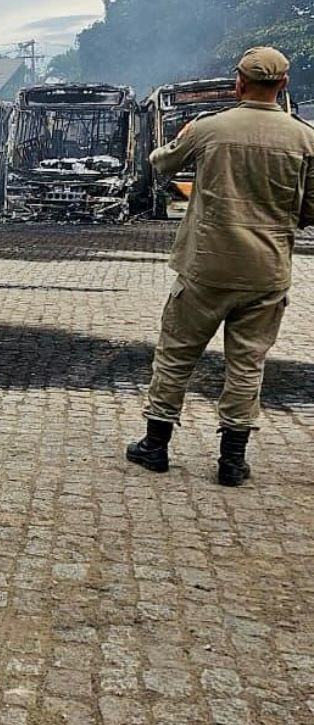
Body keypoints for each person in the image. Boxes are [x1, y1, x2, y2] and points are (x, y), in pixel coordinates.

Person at [127, 46, 314, 485]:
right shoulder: (305, 139)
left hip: (206, 268)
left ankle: (155, 446)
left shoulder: (210, 129)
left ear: (238, 82)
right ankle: (232, 460)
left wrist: (181, 139)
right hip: (267, 272)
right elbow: (311, 210)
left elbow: (161, 165)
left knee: (176, 354)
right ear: (284, 85)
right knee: (247, 363)